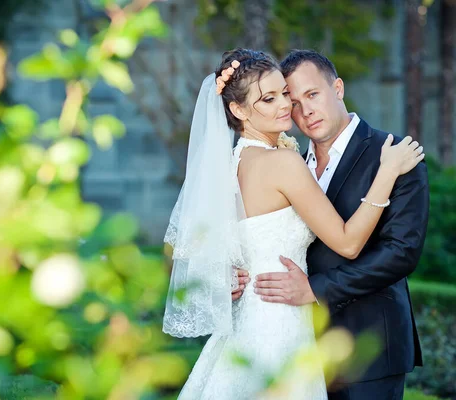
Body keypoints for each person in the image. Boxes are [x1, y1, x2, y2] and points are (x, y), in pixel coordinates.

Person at [163, 48, 424, 400]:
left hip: (368, 347)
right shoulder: (287, 161)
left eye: (301, 94)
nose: (293, 107)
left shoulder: (392, 153)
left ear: (338, 88)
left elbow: (402, 252)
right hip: (284, 332)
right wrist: (224, 275)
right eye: (274, 98)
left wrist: (232, 270)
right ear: (238, 110)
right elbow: (342, 242)